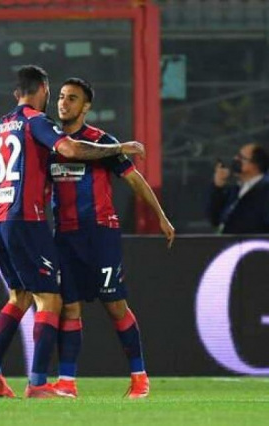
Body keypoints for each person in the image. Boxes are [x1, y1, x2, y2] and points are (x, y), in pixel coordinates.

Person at [0, 66, 145, 399]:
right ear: (43, 89)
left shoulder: (2, 125)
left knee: (19, 297)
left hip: (1, 218)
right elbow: (69, 149)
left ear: (16, 92)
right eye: (56, 94)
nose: (59, 101)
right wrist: (119, 148)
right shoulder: (37, 122)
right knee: (51, 299)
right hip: (27, 220)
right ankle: (38, 383)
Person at [48, 78, 175, 399]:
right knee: (69, 307)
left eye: (72, 98)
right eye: (61, 96)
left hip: (100, 233)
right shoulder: (51, 141)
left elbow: (135, 180)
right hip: (65, 235)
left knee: (114, 305)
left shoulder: (101, 141)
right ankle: (66, 382)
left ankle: (139, 377)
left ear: (85, 107)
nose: (63, 103)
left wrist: (160, 215)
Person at [208, 143, 269, 234]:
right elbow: (215, 218)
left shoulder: (265, 191)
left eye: (241, 158)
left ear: (255, 165)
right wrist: (218, 186)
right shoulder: (235, 190)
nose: (235, 159)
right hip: (226, 241)